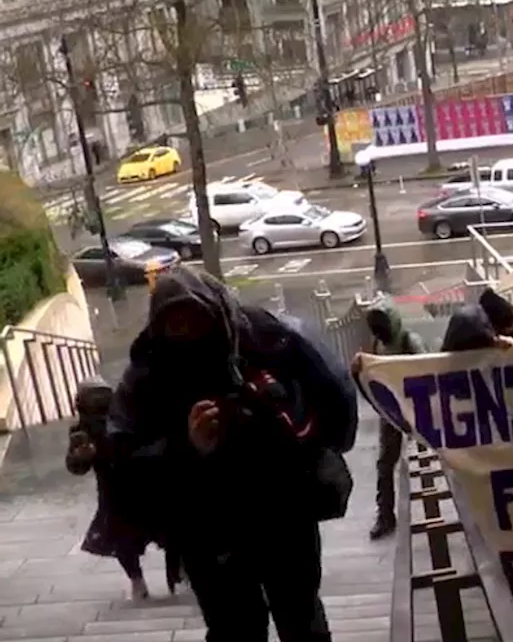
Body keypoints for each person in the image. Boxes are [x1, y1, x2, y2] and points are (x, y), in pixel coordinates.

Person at [110, 267, 359, 641]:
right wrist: (185, 446)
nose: (188, 335)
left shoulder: (268, 339)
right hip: (205, 526)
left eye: (196, 323)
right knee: (235, 627)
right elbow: (124, 462)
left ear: (217, 317)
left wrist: (300, 440)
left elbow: (334, 394)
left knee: (300, 615)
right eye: (176, 327)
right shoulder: (147, 374)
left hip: (282, 507)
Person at [67, 377, 183, 601]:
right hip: (114, 493)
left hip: (148, 485)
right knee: (123, 541)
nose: (99, 402)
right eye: (93, 397)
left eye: (102, 395)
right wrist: (83, 457)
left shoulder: (127, 417)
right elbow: (75, 465)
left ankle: (178, 568)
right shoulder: (81, 430)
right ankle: (137, 580)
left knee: (170, 532)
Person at [361, 297, 425, 541]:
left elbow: (426, 372)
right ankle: (385, 514)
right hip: (390, 410)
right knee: (385, 463)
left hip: (416, 409)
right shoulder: (379, 343)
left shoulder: (411, 342)